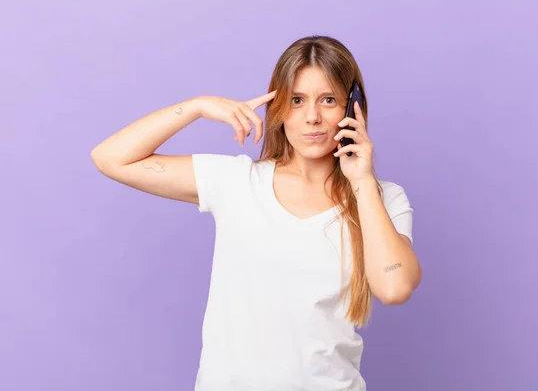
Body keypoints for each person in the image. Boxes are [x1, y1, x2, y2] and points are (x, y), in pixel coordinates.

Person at [91, 35, 422, 391]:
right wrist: (198, 106)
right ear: (279, 108)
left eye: (328, 100)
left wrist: (361, 182)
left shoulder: (381, 198)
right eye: (297, 100)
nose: (312, 117)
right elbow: (111, 158)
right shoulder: (237, 182)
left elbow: (394, 287)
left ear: (351, 108)